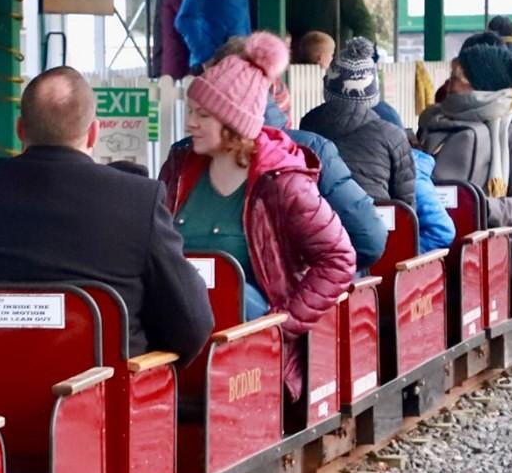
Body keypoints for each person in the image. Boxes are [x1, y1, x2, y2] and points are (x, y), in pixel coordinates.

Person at [0, 68, 213, 361]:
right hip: (108, 395)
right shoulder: (138, 199)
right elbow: (193, 321)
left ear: (20, 130)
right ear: (93, 132)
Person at [157, 33, 356, 396]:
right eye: (191, 113)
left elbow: (338, 258)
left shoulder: (281, 181)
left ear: (233, 123)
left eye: (203, 115)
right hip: (177, 344)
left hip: (251, 354)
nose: (190, 124)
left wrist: (283, 324)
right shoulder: (179, 169)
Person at [178, 33, 388, 271]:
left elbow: (351, 249)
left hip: (263, 305)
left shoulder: (304, 155)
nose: (191, 123)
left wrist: (297, 287)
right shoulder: (313, 149)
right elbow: (369, 238)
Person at [415, 34, 512, 228]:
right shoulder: (434, 120)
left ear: (479, 86)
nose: (448, 86)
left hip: (494, 238)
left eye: (455, 79)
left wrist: (480, 207)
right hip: (431, 225)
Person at [297, 38, 415, 209]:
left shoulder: (308, 123)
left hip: (320, 226)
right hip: (378, 228)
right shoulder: (393, 135)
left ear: (327, 87)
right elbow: (406, 205)